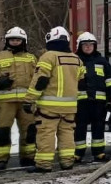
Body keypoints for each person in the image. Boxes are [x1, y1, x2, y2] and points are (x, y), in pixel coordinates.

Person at [23, 27, 85, 173]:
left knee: (46, 133)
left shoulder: (48, 56)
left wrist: (29, 100)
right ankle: (67, 162)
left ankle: (44, 164)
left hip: (49, 107)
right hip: (70, 107)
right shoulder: (77, 59)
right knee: (67, 133)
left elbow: (40, 81)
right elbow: (82, 81)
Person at [0, 27, 37, 170]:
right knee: (2, 131)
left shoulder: (31, 58)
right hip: (4, 103)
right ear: (7, 41)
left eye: (18, 40)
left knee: (29, 131)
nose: (15, 42)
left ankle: (28, 158)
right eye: (12, 40)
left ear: (23, 41)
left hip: (27, 102)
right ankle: (0, 159)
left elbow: (38, 78)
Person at [74, 32, 111, 163]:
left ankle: (99, 153)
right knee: (79, 128)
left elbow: (110, 80)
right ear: (80, 46)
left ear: (94, 46)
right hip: (80, 102)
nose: (88, 47)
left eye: (90, 45)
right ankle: (78, 154)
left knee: (98, 127)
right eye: (85, 45)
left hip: (99, 103)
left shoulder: (102, 61)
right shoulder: (75, 61)